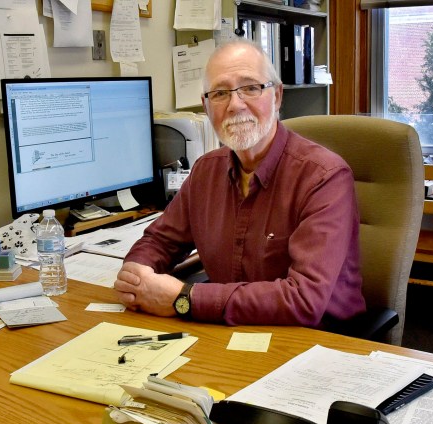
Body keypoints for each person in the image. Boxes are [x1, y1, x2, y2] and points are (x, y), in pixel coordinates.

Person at [114, 39, 365, 328]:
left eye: (250, 88)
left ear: (277, 96)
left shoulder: (324, 177)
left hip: (318, 341)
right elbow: (160, 241)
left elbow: (304, 301)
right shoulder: (206, 171)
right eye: (220, 93)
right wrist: (137, 274)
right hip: (232, 332)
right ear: (207, 106)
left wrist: (184, 298)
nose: (235, 105)